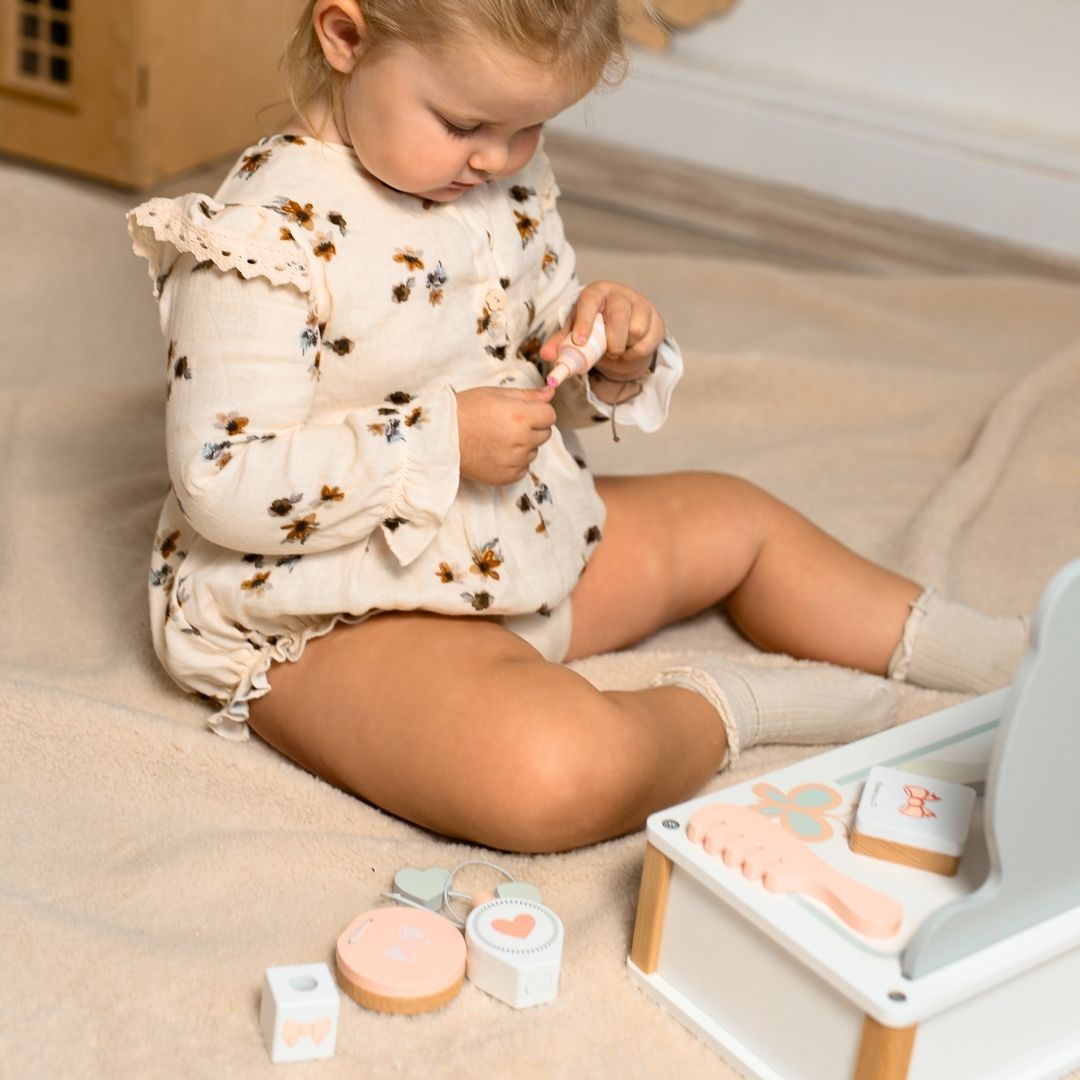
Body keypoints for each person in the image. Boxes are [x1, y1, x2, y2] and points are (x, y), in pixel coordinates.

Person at [128, 0, 1029, 854]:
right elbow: (222, 478)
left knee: (737, 517)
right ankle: (740, 708)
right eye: (463, 124)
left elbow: (531, 364)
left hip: (507, 535)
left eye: (531, 128)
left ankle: (1012, 658)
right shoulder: (261, 236)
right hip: (330, 601)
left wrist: (599, 355)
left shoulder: (499, 182)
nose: (497, 158)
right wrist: (444, 441)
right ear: (345, 37)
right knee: (549, 774)